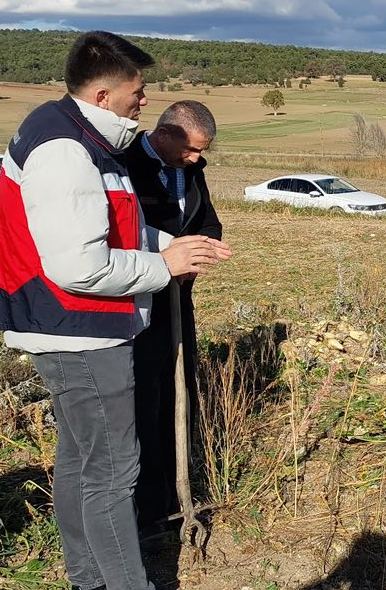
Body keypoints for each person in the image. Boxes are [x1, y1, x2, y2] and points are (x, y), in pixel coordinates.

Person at [0, 31, 231, 590]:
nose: (144, 101)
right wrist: (164, 264)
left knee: (79, 462)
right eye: (137, 92)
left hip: (79, 326)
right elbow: (78, 267)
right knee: (113, 475)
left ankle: (88, 579)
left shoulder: (85, 140)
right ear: (102, 95)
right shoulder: (65, 149)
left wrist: (177, 244)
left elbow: (120, 226)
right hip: (80, 331)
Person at [124, 100, 223, 531]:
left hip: (178, 301)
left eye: (202, 152)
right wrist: (165, 263)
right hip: (135, 305)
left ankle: (175, 493)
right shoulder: (125, 166)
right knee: (143, 402)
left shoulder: (192, 171)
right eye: (191, 150)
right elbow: (120, 233)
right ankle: (146, 509)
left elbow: (207, 223)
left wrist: (198, 258)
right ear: (165, 135)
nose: (197, 159)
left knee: (179, 390)